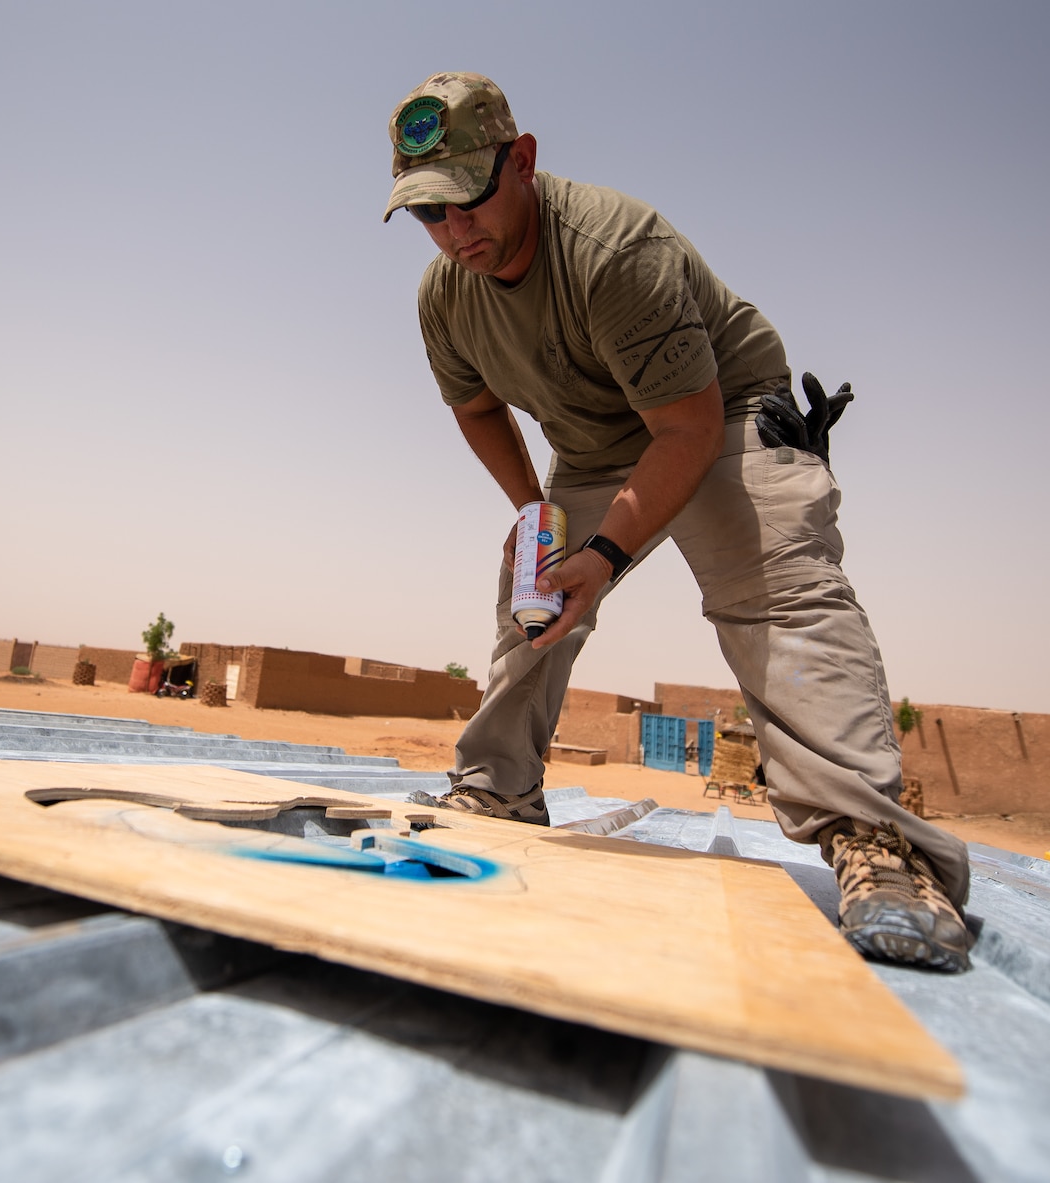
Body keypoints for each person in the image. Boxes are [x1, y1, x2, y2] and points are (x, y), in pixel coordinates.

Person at [384, 72, 972, 973]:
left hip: (723, 414)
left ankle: (878, 846)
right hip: (593, 444)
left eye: (468, 197)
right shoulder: (445, 295)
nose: (456, 232)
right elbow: (475, 408)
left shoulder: (613, 250)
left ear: (524, 163)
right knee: (531, 605)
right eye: (431, 212)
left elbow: (688, 428)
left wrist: (607, 553)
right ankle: (496, 792)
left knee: (775, 589)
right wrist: (536, 513)